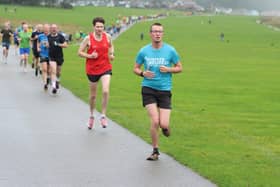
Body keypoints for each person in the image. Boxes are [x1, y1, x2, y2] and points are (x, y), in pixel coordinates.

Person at [133, 23, 183, 161]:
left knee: (164, 124)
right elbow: (135, 68)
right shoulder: (143, 51)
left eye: (160, 31)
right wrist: (143, 73)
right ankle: (155, 150)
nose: (157, 34)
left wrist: (169, 69)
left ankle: (165, 128)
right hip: (148, 89)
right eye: (155, 31)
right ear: (150, 34)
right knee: (155, 121)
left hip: (164, 90)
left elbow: (180, 67)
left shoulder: (170, 50)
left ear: (163, 33)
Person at [78, 17, 115, 129]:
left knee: (105, 90)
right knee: (93, 96)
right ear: (94, 27)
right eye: (97, 26)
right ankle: (92, 116)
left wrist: (112, 54)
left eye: (101, 27)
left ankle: (103, 115)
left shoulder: (107, 36)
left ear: (104, 27)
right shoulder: (88, 38)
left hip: (105, 67)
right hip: (92, 69)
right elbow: (79, 52)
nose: (99, 29)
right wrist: (90, 56)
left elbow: (111, 46)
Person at [48, 24, 68, 94]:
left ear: (57, 29)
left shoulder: (60, 36)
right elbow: (45, 45)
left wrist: (58, 44)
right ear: (50, 29)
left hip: (59, 56)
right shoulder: (48, 37)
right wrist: (45, 45)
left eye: (55, 28)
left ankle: (57, 80)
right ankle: (53, 87)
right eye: (52, 28)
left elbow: (66, 45)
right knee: (53, 71)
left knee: (58, 72)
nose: (53, 29)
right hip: (51, 56)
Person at [37, 24, 50, 91]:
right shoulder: (40, 36)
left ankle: (48, 78)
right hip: (43, 54)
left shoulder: (51, 36)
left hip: (50, 55)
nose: (46, 30)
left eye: (47, 29)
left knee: (49, 70)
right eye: (45, 29)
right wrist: (38, 48)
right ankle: (45, 84)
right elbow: (38, 42)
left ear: (49, 29)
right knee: (44, 69)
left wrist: (49, 45)